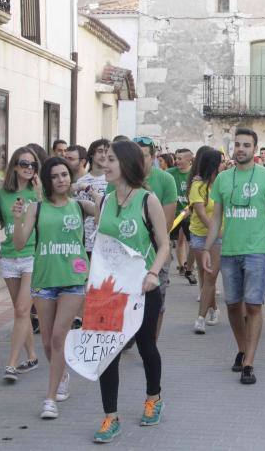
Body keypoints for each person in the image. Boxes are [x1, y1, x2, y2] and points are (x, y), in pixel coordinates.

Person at [92, 141, 171, 443]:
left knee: (145, 346)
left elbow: (164, 244)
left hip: (142, 287)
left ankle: (154, 397)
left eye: (111, 159)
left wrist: (153, 274)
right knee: (107, 352)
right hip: (110, 289)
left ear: (126, 163)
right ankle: (110, 417)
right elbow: (103, 246)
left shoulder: (147, 200)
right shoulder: (104, 201)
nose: (105, 164)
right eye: (103, 159)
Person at [12, 157, 96, 419]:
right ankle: (62, 375)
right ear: (47, 181)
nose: (61, 180)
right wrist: (17, 219)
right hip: (44, 282)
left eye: (65, 175)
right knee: (48, 342)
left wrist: (95, 194)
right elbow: (18, 243)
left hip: (73, 280)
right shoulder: (36, 208)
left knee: (59, 337)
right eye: (56, 176)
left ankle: (50, 399)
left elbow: (109, 217)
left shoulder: (81, 206)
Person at [202, 127, 265, 385]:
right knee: (233, 305)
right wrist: (206, 248)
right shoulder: (224, 179)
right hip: (229, 252)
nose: (241, 149)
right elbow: (215, 219)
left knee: (254, 305)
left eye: (246, 145)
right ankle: (242, 348)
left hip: (257, 252)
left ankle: (249, 362)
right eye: (237, 145)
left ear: (255, 150)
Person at [0, 147, 42, 381]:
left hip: (33, 255)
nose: (28, 168)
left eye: (32, 165)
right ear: (15, 165)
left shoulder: (38, 192)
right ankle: (32, 356)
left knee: (23, 310)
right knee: (20, 311)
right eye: (23, 163)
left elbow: (48, 217)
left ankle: (11, 365)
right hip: (9, 255)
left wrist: (41, 192)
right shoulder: (0, 192)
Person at [135, 137, 179, 339]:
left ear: (152, 157)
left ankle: (151, 342)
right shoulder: (118, 180)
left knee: (156, 299)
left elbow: (167, 223)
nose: (138, 160)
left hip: (156, 248)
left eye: (143, 156)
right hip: (127, 251)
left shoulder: (165, 180)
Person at [189, 148, 224, 334]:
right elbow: (201, 213)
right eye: (221, 161)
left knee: (210, 275)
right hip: (200, 233)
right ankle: (214, 308)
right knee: (204, 275)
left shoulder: (222, 182)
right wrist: (215, 231)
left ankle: (201, 317)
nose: (224, 164)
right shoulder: (198, 186)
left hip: (218, 235)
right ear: (214, 164)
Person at [75, 139, 111, 257]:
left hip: (105, 241)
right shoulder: (81, 182)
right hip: (84, 241)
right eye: (100, 151)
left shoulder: (112, 180)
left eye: (106, 151)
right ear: (92, 154)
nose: (104, 155)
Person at [167, 148, 197, 285]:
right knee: (172, 241)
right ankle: (179, 266)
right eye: (176, 158)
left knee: (192, 243)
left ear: (189, 160)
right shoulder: (169, 174)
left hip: (189, 214)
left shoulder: (195, 175)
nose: (176, 161)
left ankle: (189, 267)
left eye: (180, 159)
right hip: (173, 214)